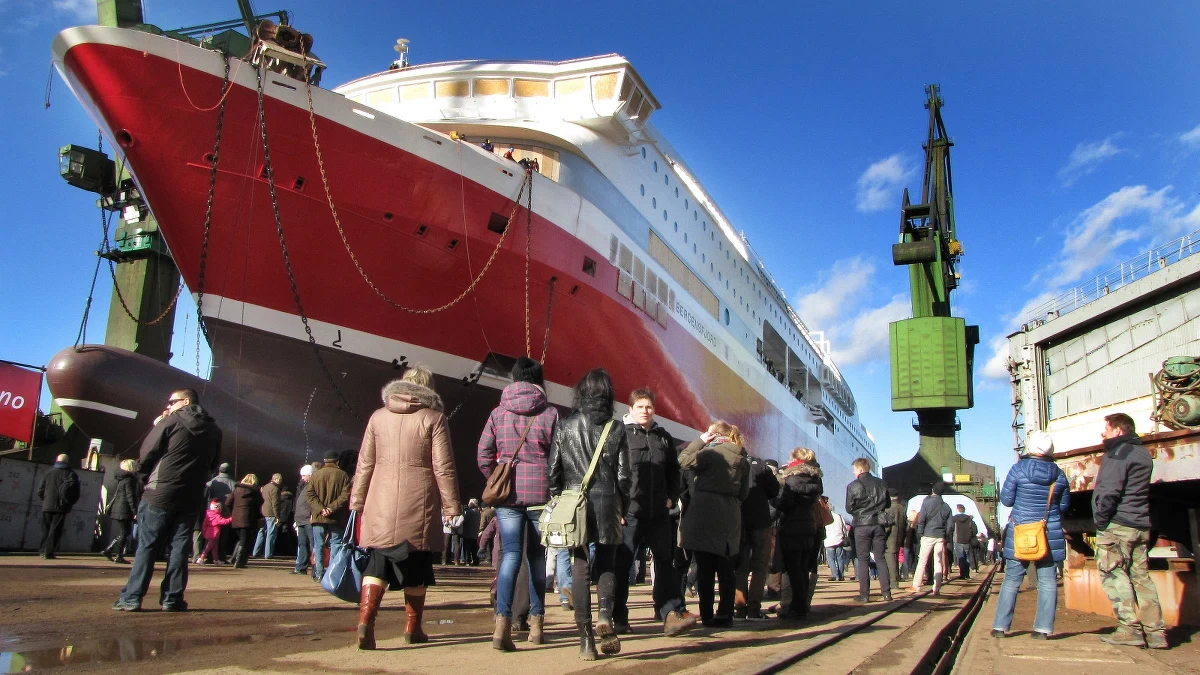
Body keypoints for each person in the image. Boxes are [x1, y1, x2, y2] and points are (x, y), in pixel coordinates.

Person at [351, 366, 461, 650]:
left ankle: (366, 620)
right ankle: (413, 628)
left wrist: (358, 501)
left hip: (381, 500)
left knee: (378, 563)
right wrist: (451, 505)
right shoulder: (434, 418)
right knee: (417, 566)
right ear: (429, 388)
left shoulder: (378, 417)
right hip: (419, 500)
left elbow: (365, 463)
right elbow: (443, 467)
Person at [113, 388, 222, 611]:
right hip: (191, 496)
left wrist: (144, 479)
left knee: (147, 547)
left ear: (186, 401)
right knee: (180, 549)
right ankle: (172, 599)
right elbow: (213, 465)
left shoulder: (170, 421)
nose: (168, 406)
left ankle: (132, 598)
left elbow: (147, 453)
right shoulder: (215, 430)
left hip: (160, 493)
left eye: (172, 401)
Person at [477, 357, 560, 651]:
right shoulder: (550, 413)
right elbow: (557, 458)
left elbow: (483, 453)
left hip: (508, 496)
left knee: (510, 556)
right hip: (540, 495)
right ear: (539, 379)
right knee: (537, 559)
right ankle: (537, 624)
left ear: (513, 379)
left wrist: (497, 478)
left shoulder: (498, 413)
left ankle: (502, 622)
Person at [548, 368, 631, 660]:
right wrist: (624, 505)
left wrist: (557, 500)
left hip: (574, 503)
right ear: (608, 394)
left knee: (580, 566)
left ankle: (585, 642)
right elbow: (624, 477)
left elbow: (553, 472)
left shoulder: (565, 426)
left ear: (580, 392)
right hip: (608, 502)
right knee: (607, 563)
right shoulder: (617, 428)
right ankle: (606, 614)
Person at [615, 388, 697, 636]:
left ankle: (670, 614)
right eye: (640, 406)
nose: (645, 411)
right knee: (623, 565)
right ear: (630, 409)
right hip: (630, 513)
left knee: (665, 563)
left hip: (659, 513)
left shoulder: (663, 437)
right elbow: (609, 473)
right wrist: (616, 507)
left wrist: (672, 497)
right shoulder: (620, 434)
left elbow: (674, 470)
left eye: (648, 406)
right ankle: (619, 617)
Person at [1092, 413, 1167, 649]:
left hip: (1118, 524)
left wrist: (1101, 520)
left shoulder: (1117, 453)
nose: (1102, 432)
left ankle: (1129, 628)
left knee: (1113, 573)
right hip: (1140, 524)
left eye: (1106, 428)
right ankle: (1155, 632)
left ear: (1118, 431)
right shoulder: (1143, 454)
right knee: (1141, 577)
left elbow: (1109, 491)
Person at [991, 430, 1069, 640]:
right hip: (1048, 534)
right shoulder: (1059, 474)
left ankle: (1000, 627)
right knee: (1048, 582)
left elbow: (1006, 500)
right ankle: (1043, 629)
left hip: (1020, 533)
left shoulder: (1017, 470)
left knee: (1011, 581)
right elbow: (1064, 505)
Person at [678, 420, 750, 628]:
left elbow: (682, 460)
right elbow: (744, 493)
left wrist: (700, 440)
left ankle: (707, 615)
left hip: (704, 512)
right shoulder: (742, 459)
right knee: (726, 568)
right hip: (730, 514)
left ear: (714, 435)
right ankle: (725, 614)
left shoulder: (710, 454)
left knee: (705, 568)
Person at [776, 448, 824, 620]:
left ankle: (797, 608)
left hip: (792, 526)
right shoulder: (816, 478)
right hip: (809, 524)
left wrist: (776, 501)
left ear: (795, 459)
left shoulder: (791, 479)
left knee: (793, 568)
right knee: (803, 567)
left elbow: (785, 504)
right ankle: (801, 605)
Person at [734, 442, 780, 622]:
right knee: (760, 566)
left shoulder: (732, 462)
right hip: (761, 519)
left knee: (740, 566)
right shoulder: (760, 464)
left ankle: (739, 608)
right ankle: (754, 609)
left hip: (739, 519)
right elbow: (774, 490)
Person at [845, 457, 891, 602]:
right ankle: (886, 593)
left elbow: (849, 508)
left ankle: (864, 595)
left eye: (854, 470)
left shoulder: (853, 486)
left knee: (863, 560)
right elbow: (887, 503)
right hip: (878, 524)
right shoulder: (881, 483)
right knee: (880, 558)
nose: (853, 473)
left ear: (860, 469)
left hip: (861, 525)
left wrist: (861, 511)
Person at [308, 449, 351, 581]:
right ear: (337, 461)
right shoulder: (343, 475)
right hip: (336, 517)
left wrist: (321, 509)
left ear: (325, 461)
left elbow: (310, 495)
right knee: (336, 544)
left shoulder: (316, 475)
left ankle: (319, 574)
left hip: (318, 517)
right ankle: (332, 575)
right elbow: (345, 495)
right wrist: (331, 508)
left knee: (319, 545)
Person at [38, 453, 80, 559]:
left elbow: (40, 490)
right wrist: (69, 502)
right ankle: (49, 552)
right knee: (55, 530)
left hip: (47, 504)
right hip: (61, 506)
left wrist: (46, 499)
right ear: (67, 462)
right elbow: (76, 492)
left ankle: (42, 551)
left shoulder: (49, 472)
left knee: (45, 529)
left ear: (57, 460)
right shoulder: (71, 474)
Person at [912, 482, 952, 594]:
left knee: (922, 560)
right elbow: (950, 524)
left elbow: (921, 519)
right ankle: (937, 588)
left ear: (933, 490)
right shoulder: (946, 507)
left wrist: (920, 532)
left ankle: (916, 586)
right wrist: (945, 536)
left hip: (928, 534)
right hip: (940, 536)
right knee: (938, 561)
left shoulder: (926, 502)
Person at [102, 459, 141, 564]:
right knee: (124, 532)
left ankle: (109, 550)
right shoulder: (129, 480)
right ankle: (118, 555)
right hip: (125, 509)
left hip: (118, 508)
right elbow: (130, 497)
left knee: (124, 532)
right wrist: (134, 511)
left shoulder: (121, 478)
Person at [202, 463, 236, 562]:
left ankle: (208, 557)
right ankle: (220, 557)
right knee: (223, 536)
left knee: (210, 535)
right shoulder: (233, 484)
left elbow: (205, 496)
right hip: (226, 513)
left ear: (219, 470)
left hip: (211, 514)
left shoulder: (211, 483)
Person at [227, 474, 262, 568]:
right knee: (244, 541)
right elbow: (259, 504)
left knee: (241, 539)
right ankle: (238, 562)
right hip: (248, 519)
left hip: (236, 519)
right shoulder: (255, 492)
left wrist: (233, 513)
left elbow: (228, 503)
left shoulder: (236, 490)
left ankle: (233, 559)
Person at [253, 473, 283, 559]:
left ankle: (256, 551)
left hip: (263, 511)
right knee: (271, 533)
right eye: (279, 480)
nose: (280, 482)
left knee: (261, 531)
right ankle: (268, 553)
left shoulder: (265, 487)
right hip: (271, 513)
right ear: (276, 479)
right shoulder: (275, 489)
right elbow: (275, 504)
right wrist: (277, 516)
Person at [292, 465, 315, 576]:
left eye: (304, 475)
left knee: (312, 544)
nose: (302, 478)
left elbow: (314, 502)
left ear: (310, 475)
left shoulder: (314, 485)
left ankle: (315, 568)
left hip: (308, 519)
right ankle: (301, 567)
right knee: (302, 544)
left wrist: (313, 514)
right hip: (301, 519)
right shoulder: (303, 486)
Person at [195, 499, 233, 564]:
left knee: (214, 548)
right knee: (208, 547)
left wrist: (204, 532)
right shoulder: (216, 516)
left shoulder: (208, 514)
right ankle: (201, 558)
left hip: (208, 533)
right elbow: (223, 521)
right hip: (214, 534)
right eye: (219, 507)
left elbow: (204, 524)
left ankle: (216, 560)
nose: (220, 509)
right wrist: (231, 518)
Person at [884, 489, 908, 588]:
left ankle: (893, 582)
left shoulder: (888, 508)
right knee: (896, 559)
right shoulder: (901, 507)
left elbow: (887, 526)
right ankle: (896, 579)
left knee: (890, 560)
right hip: (899, 537)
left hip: (890, 538)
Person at [950, 504, 978, 579]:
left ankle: (962, 574)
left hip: (958, 540)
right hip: (967, 540)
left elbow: (950, 528)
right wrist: (970, 536)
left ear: (957, 510)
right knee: (967, 558)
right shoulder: (969, 519)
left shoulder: (954, 518)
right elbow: (975, 530)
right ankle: (967, 574)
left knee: (960, 557)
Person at [823, 499, 847, 582]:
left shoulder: (825, 517)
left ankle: (835, 575)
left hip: (829, 540)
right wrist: (843, 535)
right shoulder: (839, 516)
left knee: (831, 559)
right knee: (840, 558)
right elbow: (844, 528)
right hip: (839, 539)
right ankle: (841, 575)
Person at [461, 499, 481, 565]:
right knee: (474, 548)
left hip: (468, 533)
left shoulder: (469, 512)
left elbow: (465, 521)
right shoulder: (478, 512)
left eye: (469, 503)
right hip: (475, 533)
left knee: (467, 549)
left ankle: (467, 560)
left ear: (472, 504)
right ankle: (476, 560)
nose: (468, 504)